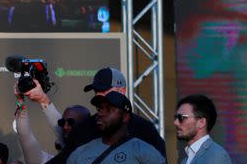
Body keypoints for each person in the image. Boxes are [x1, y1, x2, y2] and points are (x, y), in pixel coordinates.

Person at [21, 67, 166, 157]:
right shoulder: (85, 127)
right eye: (96, 91)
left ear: (122, 91)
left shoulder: (145, 130)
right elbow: (64, 134)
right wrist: (43, 100)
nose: (99, 96)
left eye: (103, 91)